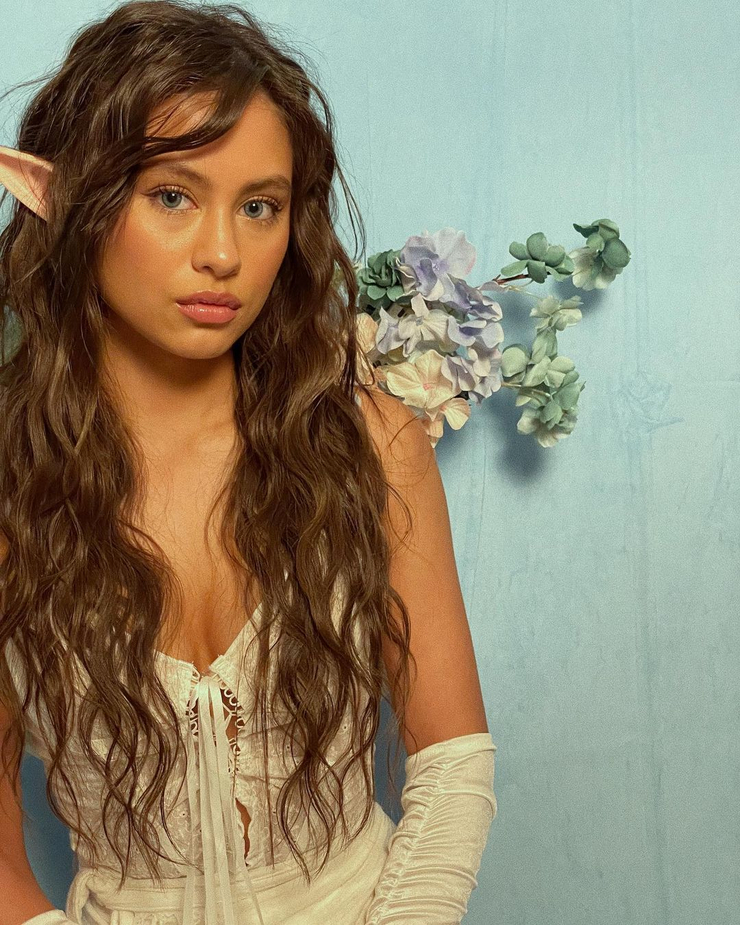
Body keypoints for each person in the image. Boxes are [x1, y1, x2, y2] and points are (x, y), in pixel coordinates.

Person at [0, 2, 497, 923]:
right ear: (62, 199)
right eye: (172, 196)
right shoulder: (10, 489)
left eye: (259, 206)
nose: (224, 254)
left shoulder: (368, 443)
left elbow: (453, 763)